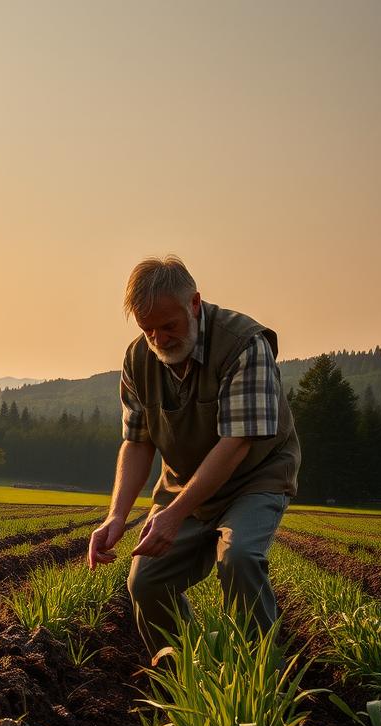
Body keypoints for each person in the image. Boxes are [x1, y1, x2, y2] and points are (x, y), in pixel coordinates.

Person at [86, 256, 301, 652]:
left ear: (195, 304)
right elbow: (137, 441)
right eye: (148, 329)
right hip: (184, 480)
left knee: (239, 558)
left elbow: (237, 443)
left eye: (169, 326)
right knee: (146, 581)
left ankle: (260, 673)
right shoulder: (138, 358)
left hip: (255, 477)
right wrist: (115, 516)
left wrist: (175, 514)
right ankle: (188, 676)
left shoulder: (244, 344)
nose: (159, 339)